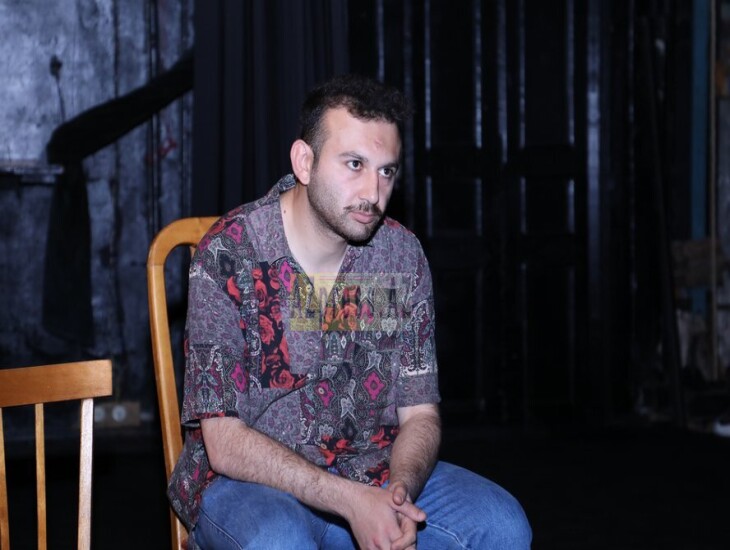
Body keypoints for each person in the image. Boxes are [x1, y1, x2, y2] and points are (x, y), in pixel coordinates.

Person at [169, 73, 531, 549]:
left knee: (503, 526)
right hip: (252, 484)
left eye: (387, 171)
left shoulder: (399, 257)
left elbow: (420, 414)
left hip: (371, 471)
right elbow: (223, 441)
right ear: (305, 161)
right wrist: (350, 501)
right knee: (279, 541)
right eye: (354, 164)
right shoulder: (230, 254)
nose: (373, 193)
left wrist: (398, 493)